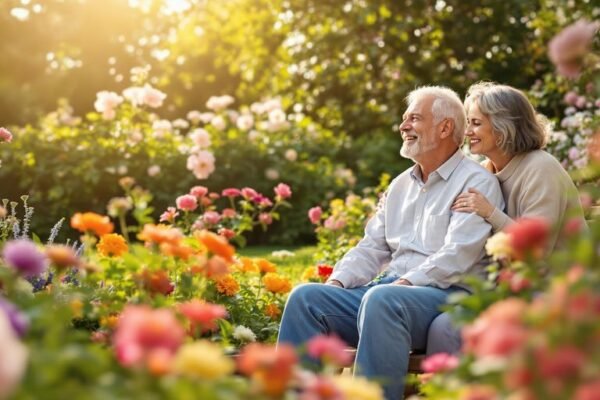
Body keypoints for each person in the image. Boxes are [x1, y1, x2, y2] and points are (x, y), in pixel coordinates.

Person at [277, 86, 504, 400]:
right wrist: (339, 283)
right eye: (404, 119)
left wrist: (405, 282)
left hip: (444, 296)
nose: (403, 126)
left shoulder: (476, 182)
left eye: (414, 118)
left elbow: (458, 255)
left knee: (383, 299)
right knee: (306, 299)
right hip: (389, 295)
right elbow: (372, 246)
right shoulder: (400, 185)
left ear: (445, 127)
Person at [426, 82, 587, 356]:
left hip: (557, 290)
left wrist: (490, 213)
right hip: (506, 288)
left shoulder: (540, 168)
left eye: (476, 123)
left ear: (503, 126)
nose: (467, 132)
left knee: (459, 328)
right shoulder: (484, 172)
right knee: (444, 325)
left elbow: (537, 250)